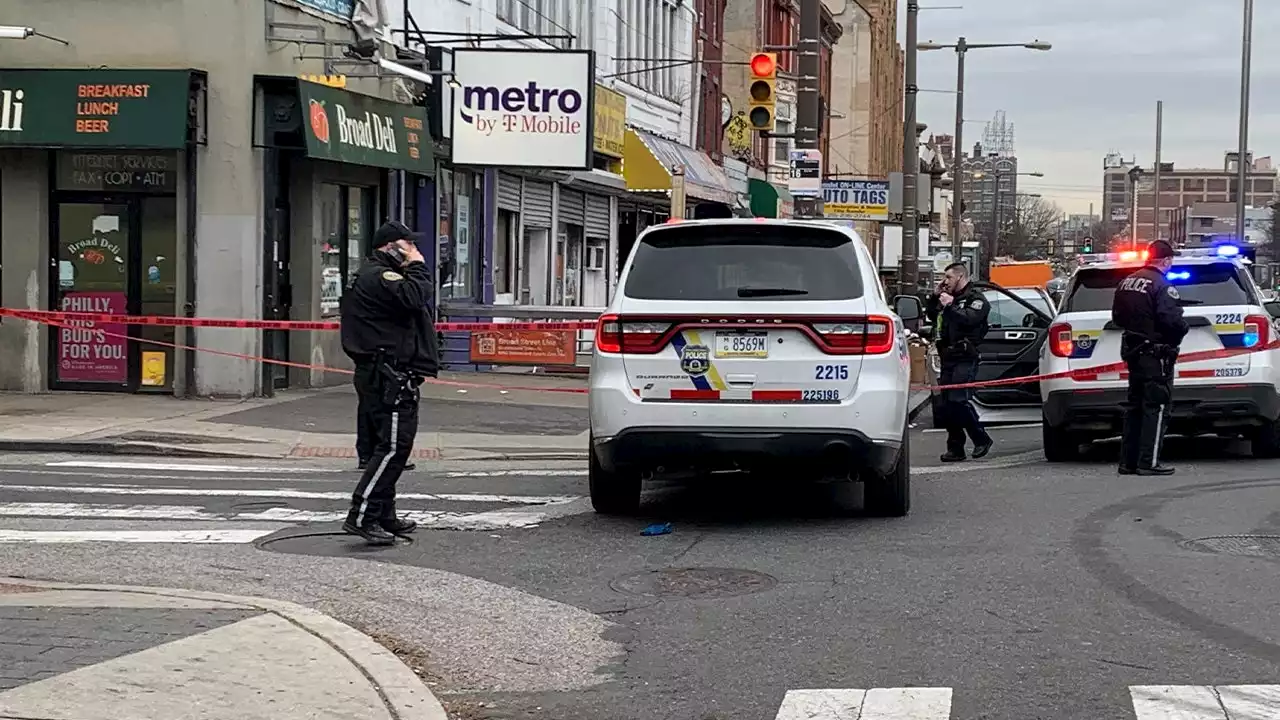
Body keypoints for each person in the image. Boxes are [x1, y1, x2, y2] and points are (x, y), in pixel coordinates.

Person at [340, 221, 440, 545]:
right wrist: (419, 266)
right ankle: (362, 515)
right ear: (390, 247)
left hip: (382, 372)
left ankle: (383, 513)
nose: (412, 249)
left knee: (387, 447)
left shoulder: (375, 276)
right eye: (405, 244)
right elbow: (416, 296)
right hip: (387, 374)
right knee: (393, 448)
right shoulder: (381, 276)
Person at [1111, 240, 1187, 476]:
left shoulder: (1127, 281)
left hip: (1133, 351)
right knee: (1157, 405)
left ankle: (1128, 462)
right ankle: (1149, 461)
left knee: (1135, 406)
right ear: (1166, 261)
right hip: (1156, 354)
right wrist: (1180, 331)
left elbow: (1117, 317)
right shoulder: (1162, 285)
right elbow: (1171, 321)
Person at [926, 262, 994, 463]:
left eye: (948, 277)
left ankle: (981, 438)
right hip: (947, 356)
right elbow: (932, 316)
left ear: (960, 277)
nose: (944, 281)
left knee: (958, 400)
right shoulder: (947, 298)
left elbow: (969, 320)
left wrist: (950, 305)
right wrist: (934, 297)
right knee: (947, 404)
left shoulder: (976, 299)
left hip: (965, 356)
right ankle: (955, 448)